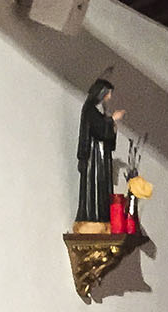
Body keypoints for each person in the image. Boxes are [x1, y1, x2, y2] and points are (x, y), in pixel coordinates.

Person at [75, 79, 124, 225]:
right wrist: (111, 119)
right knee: (94, 188)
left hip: (100, 157)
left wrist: (111, 125)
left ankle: (101, 216)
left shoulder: (93, 110)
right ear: (101, 92)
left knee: (101, 187)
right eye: (108, 93)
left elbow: (104, 130)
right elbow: (98, 129)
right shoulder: (89, 109)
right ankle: (94, 217)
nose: (109, 97)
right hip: (94, 158)